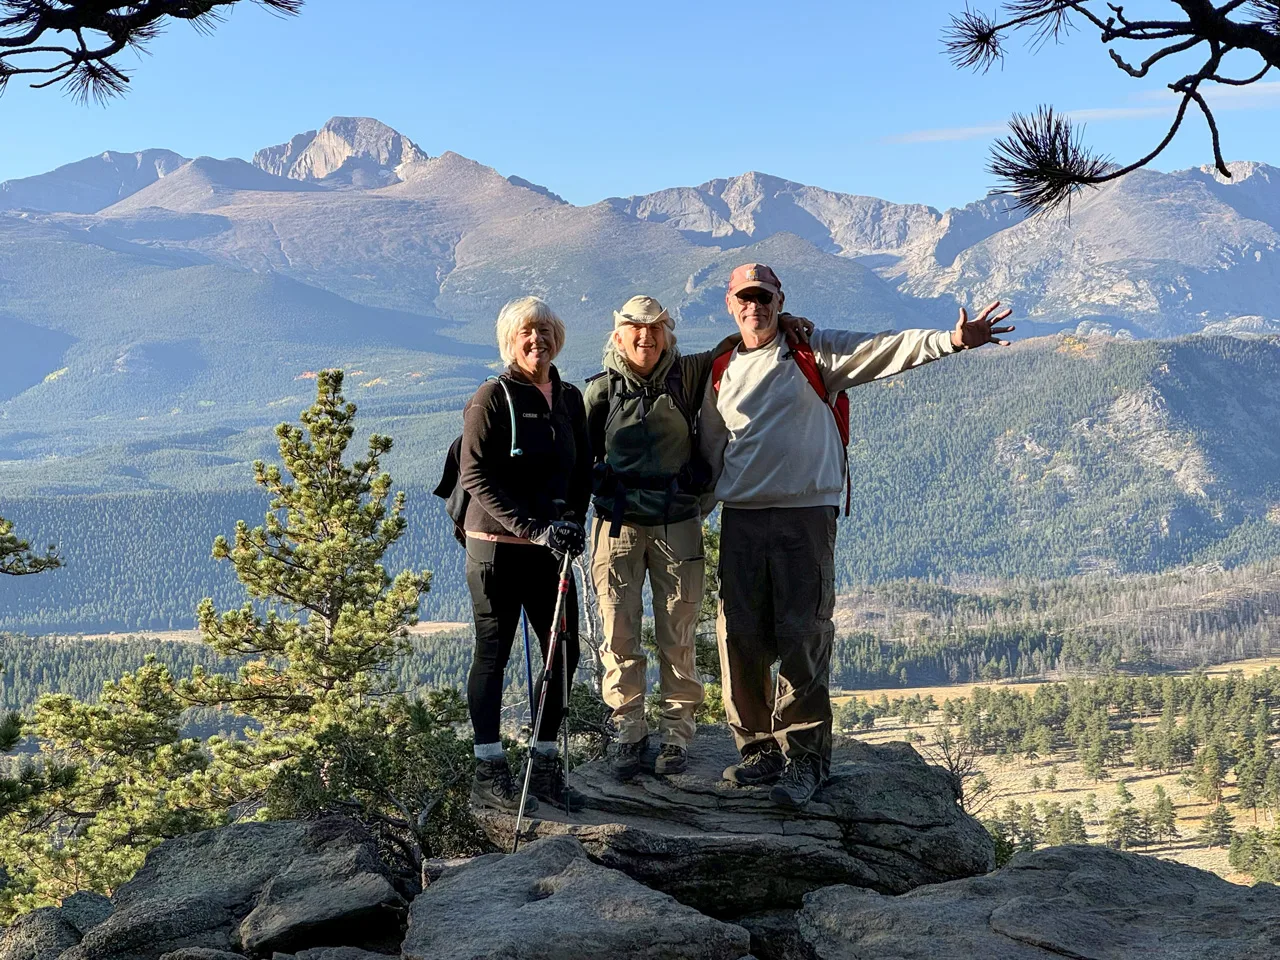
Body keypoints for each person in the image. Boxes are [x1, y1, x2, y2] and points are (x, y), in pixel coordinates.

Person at [700, 263, 1013, 809]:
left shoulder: (815, 352)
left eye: (764, 298)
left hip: (804, 516)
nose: (755, 307)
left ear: (779, 301)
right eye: (745, 298)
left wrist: (953, 340)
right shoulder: (718, 368)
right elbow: (703, 445)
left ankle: (805, 758)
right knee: (739, 637)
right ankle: (757, 749)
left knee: (803, 635)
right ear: (730, 304)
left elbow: (884, 349)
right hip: (741, 517)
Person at [585, 295, 811, 780]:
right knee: (618, 632)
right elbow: (577, 458)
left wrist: (782, 322)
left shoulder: (686, 374)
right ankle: (628, 729)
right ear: (618, 335)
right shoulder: (599, 391)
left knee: (678, 632)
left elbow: (738, 343)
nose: (645, 337)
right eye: (635, 328)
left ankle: (675, 735)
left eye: (655, 328)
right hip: (618, 526)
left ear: (667, 334)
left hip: (678, 522)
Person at [458, 295, 591, 814]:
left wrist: (573, 520)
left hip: (549, 549)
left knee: (564, 651)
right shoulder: (491, 397)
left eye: (544, 332)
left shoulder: (570, 398)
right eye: (525, 333)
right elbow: (474, 475)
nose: (537, 340)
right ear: (510, 343)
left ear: (558, 338)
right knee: (494, 653)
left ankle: (544, 764)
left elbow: (582, 469)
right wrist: (534, 529)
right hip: (495, 550)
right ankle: (489, 771)